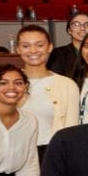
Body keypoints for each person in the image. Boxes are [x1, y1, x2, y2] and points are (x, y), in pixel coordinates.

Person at [16, 25, 80, 161]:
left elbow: (71, 131)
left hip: (51, 154)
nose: (33, 50)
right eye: (26, 46)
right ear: (18, 49)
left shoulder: (67, 85)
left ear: (50, 47)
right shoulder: (7, 82)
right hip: (15, 152)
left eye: (39, 45)